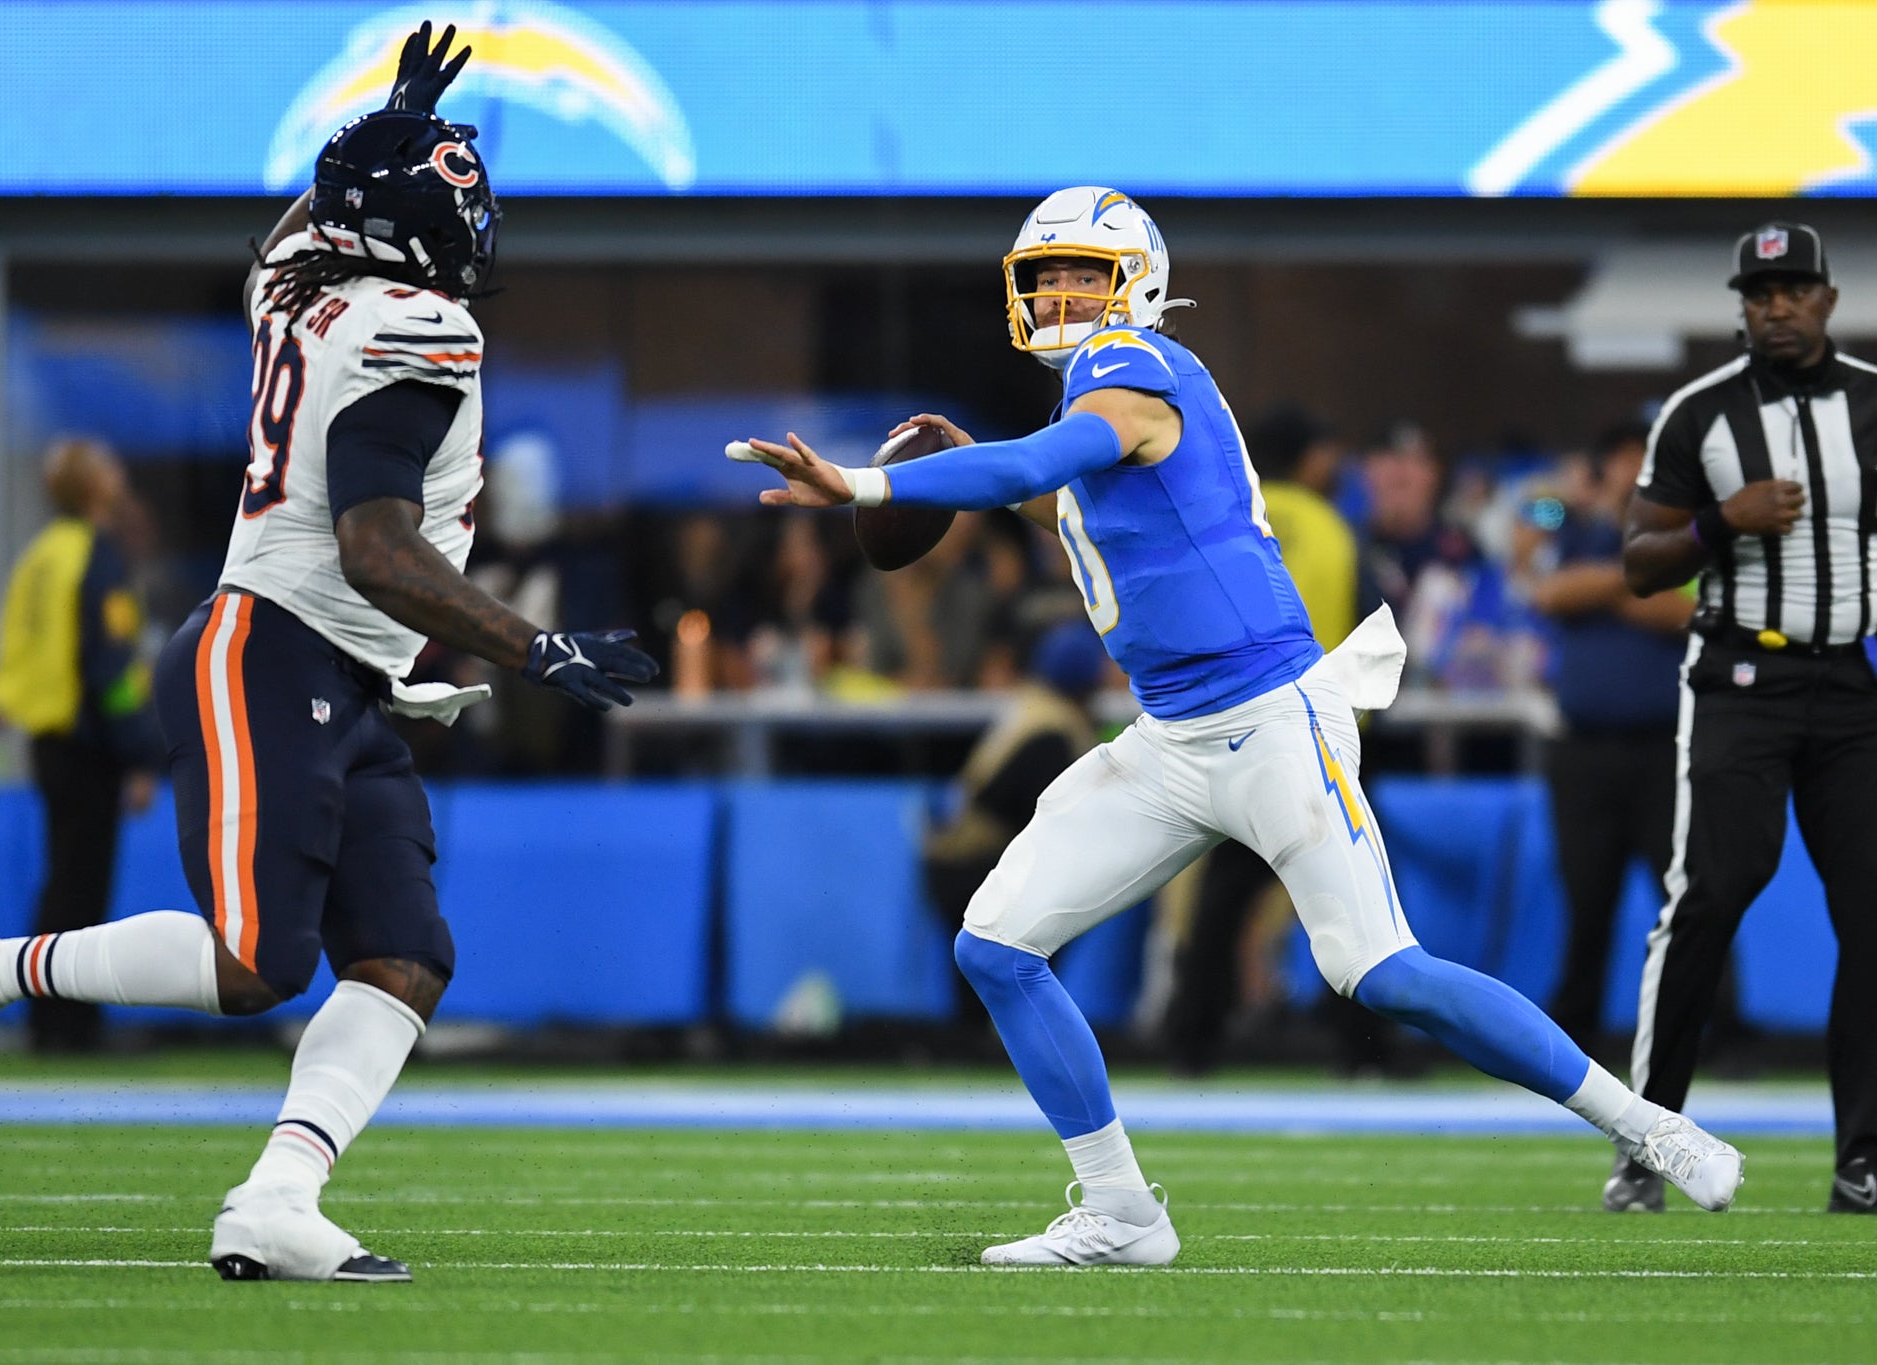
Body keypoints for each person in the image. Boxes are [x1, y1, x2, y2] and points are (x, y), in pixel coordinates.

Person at [731, 184, 1744, 1267]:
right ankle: (1120, 1209)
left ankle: (1650, 1127)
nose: (1064, 292)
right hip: (1169, 741)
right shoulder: (1102, 402)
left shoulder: (1136, 364)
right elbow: (1061, 493)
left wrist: (864, 482)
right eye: (1046, 276)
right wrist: (962, 475)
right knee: (995, 944)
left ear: (1136, 282)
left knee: (1381, 973)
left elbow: (1034, 466)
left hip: (1271, 723)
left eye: (1084, 271)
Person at [0, 24, 657, 1279]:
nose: (471, 224)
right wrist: (531, 644)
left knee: (402, 955)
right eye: (448, 201)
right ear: (393, 231)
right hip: (273, 649)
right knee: (254, 963)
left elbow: (294, 233)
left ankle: (278, 1200)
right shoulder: (416, 330)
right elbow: (375, 549)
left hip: (352, 675)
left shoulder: (296, 285)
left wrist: (386, 131)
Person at [1617, 222, 1877, 1215]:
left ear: (1825, 298)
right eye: (1756, 291)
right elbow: (1637, 563)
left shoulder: (1867, 401)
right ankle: (1646, 1140)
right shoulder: (1699, 414)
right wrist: (1720, 521)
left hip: (1853, 693)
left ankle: (1861, 1156)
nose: (1773, 305)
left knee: (1868, 915)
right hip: (1740, 683)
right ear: (1739, 305)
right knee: (1710, 896)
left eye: (1791, 288)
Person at [1162, 405, 1393, 1076]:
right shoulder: (1333, 528)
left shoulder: (1226, 517)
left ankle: (1191, 1039)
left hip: (1236, 728)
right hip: (1323, 735)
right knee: (1354, 899)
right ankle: (1362, 1047)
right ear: (1308, 456)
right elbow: (1369, 628)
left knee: (1222, 901)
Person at [1521, 424, 1693, 1056]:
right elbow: (1544, 586)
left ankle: (1709, 1031)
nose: (1634, 472)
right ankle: (1575, 1038)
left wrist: (1596, 591)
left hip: (1665, 746)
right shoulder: (1576, 525)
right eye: (1623, 459)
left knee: (1685, 897)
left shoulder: (1692, 532)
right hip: (1585, 750)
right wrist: (1638, 577)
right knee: (1587, 897)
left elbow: (1689, 612)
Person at [0, 439, 160, 1053]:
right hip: (89, 743)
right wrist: (140, 753)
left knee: (63, 881)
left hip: (48, 735)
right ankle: (69, 1027)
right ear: (93, 488)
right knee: (82, 888)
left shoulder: (43, 554)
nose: (120, 473)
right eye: (109, 468)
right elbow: (110, 667)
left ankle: (48, 1020)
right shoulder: (96, 557)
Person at [922, 617, 1105, 1023]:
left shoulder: (1032, 709)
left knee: (985, 969)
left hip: (954, 858)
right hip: (971, 863)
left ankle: (985, 1035)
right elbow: (1047, 816)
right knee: (1064, 907)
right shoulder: (1054, 731)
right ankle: (1017, 1027)